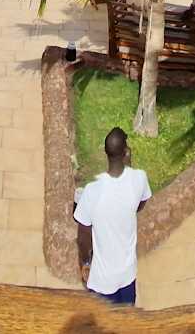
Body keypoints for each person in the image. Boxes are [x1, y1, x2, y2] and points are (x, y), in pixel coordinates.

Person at [74, 127, 151, 306]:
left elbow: (83, 237)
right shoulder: (139, 179)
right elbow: (140, 204)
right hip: (127, 275)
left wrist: (85, 262)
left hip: (102, 280)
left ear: (105, 152)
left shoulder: (92, 192)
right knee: (128, 317)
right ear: (126, 152)